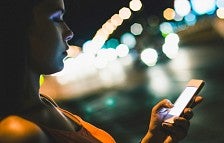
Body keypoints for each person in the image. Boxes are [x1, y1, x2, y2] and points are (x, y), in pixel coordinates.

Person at [0, 0, 203, 143]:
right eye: (56, 18)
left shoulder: (45, 102)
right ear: (18, 28)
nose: (69, 32)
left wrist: (154, 137)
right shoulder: (18, 133)